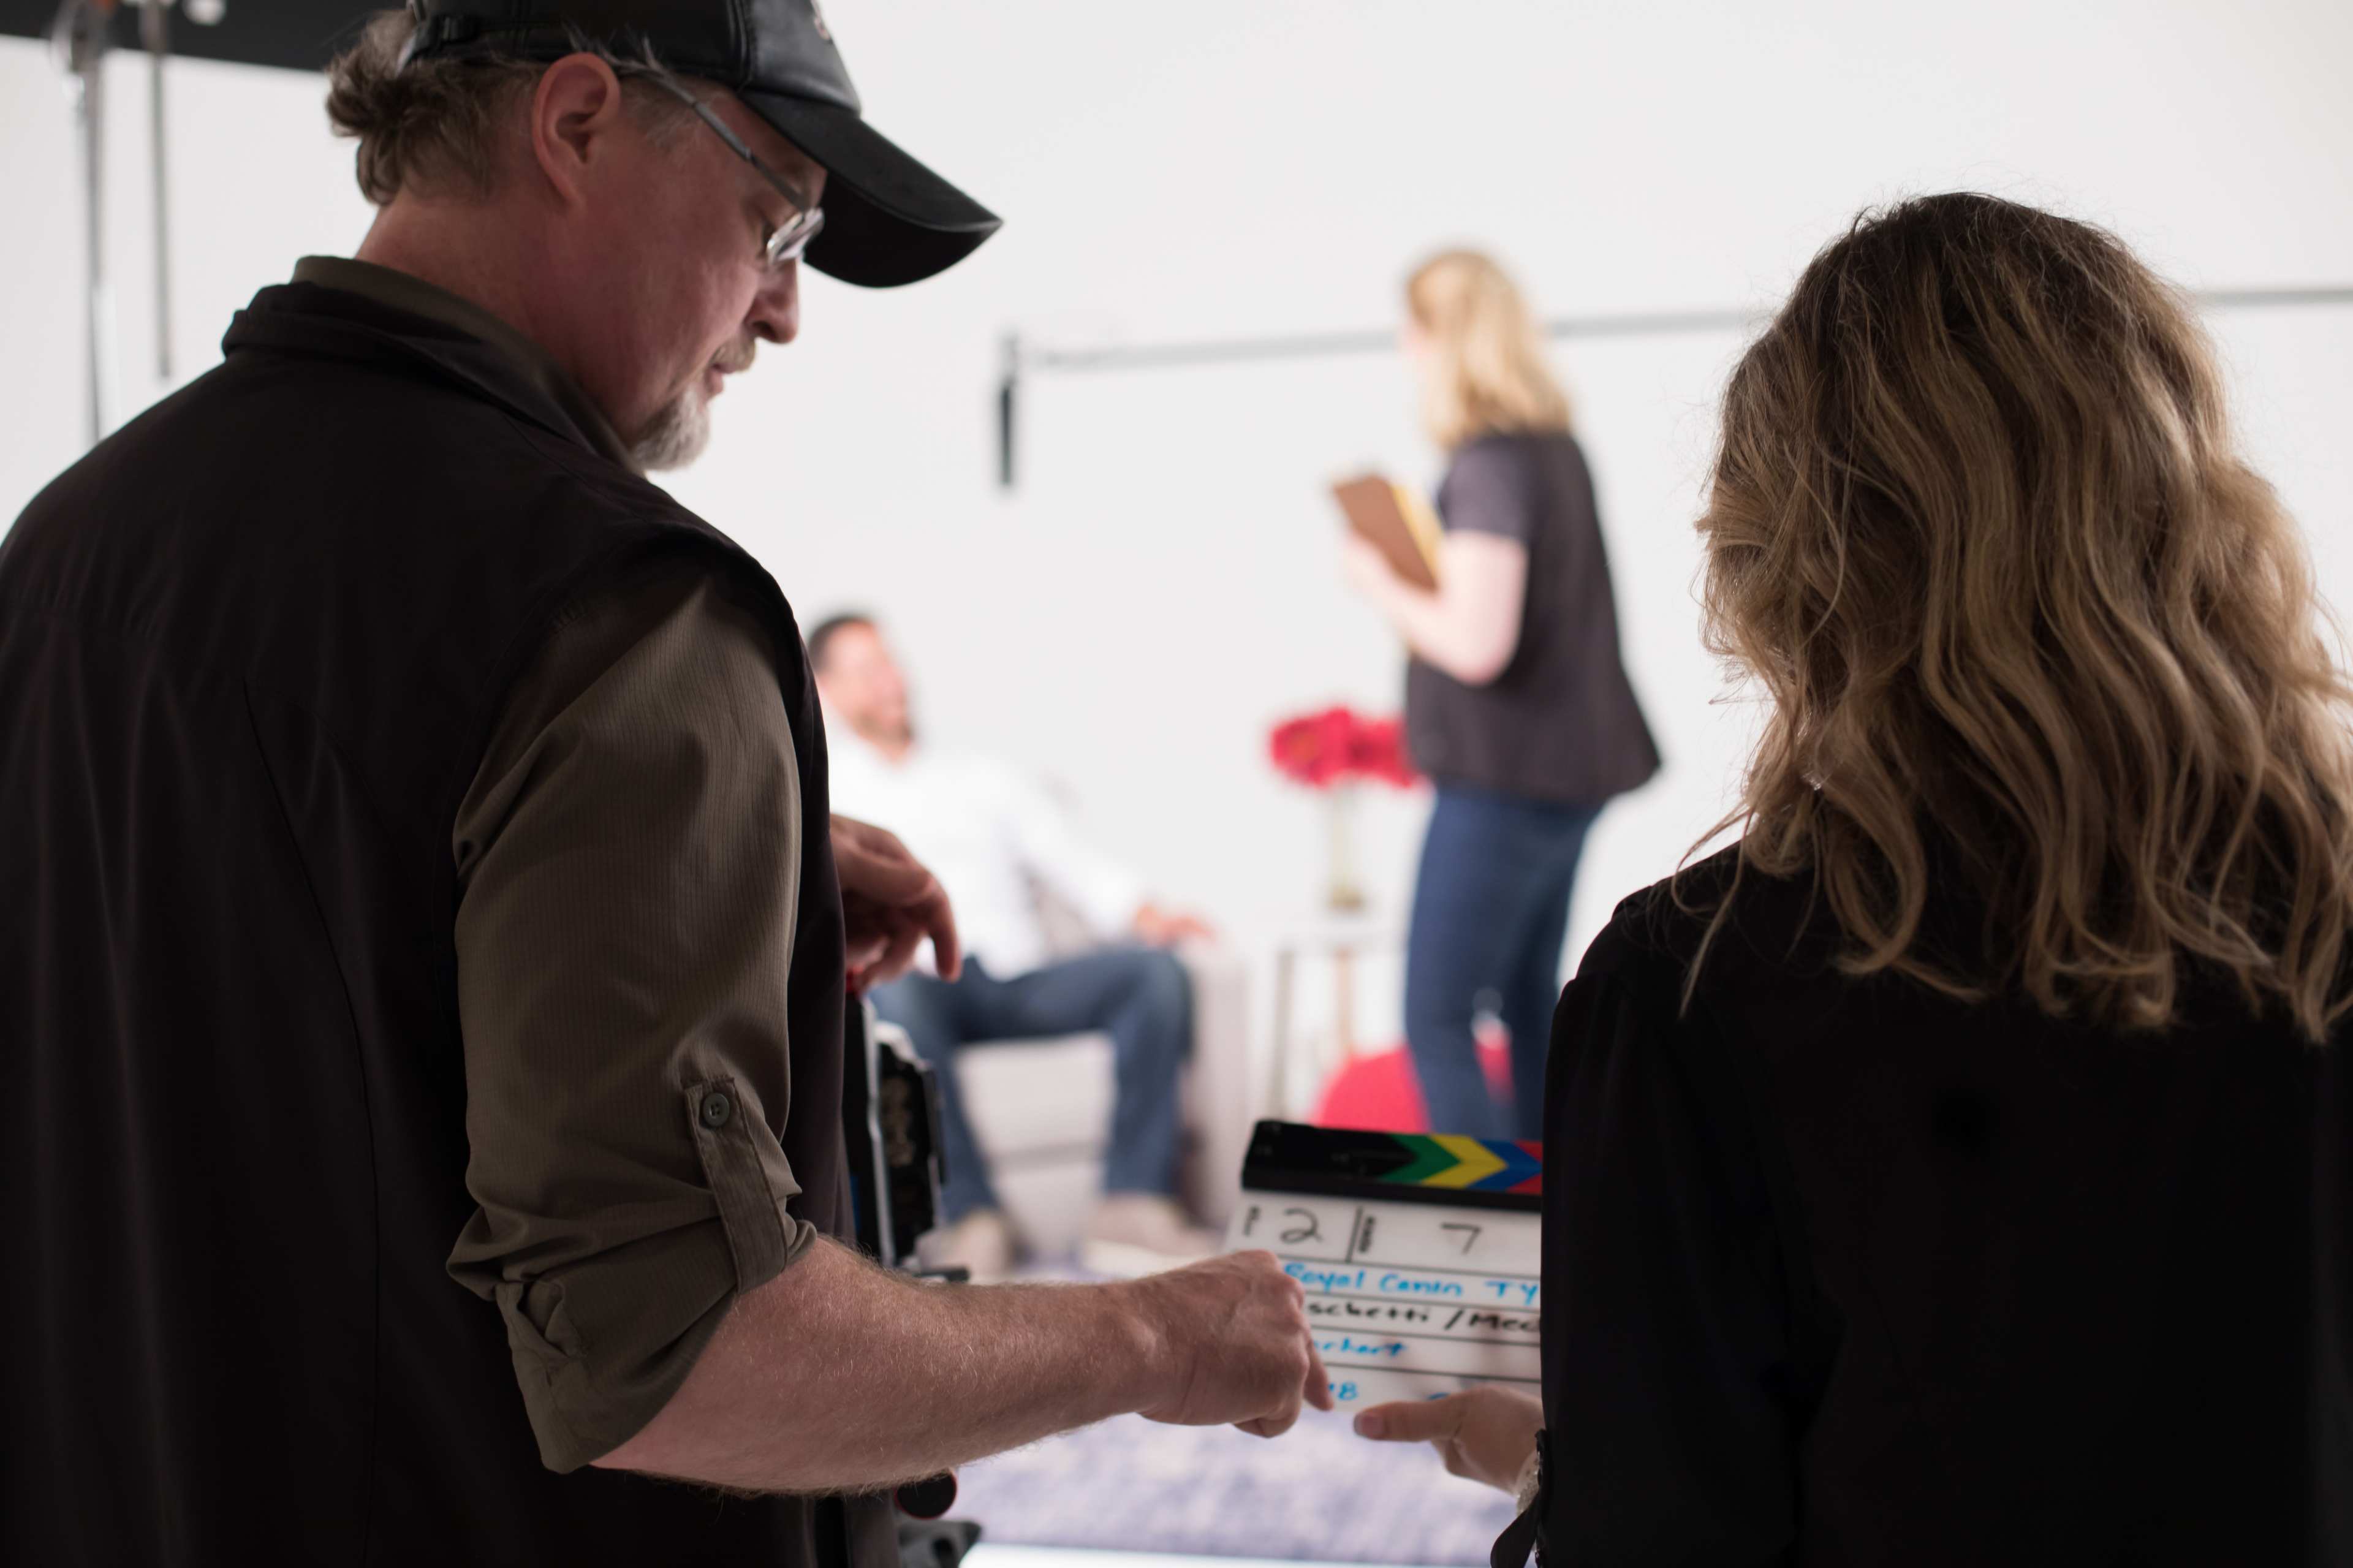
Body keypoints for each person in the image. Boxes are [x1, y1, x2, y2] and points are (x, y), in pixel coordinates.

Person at [0, 6, 1327, 1563]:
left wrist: (736, 866)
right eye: (776, 222)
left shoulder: (74, 544)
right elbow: (687, 1355)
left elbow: (267, 964)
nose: (785, 312)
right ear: (576, 123)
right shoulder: (617, 605)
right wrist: (1158, 1337)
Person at [1355, 194, 2352, 1564]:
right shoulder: (2324, 919)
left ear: (1783, 559)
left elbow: (1667, 1535)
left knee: (1441, 1014)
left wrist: (1557, 1463)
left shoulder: (1694, 994)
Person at [1343, 249, 1658, 1140]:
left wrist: (1379, 582)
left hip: (1504, 781)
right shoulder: (1555, 451)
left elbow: (1479, 644)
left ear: (1440, 337)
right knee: (1525, 1004)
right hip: (1569, 773)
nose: (1404, 349)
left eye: (1412, 329)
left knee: (1437, 1017)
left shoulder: (1488, 465)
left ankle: (1481, 1221)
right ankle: (1553, 1212)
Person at [813, 612, 1223, 1279]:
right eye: (866, 670)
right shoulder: (826, 796)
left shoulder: (983, 778)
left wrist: (1149, 913)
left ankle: (1131, 1204)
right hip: (920, 986)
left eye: (890, 663)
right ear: (827, 689)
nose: (889, 682)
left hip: (1016, 980)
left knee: (1157, 975)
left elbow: (1074, 862)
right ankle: (971, 1217)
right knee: (897, 1000)